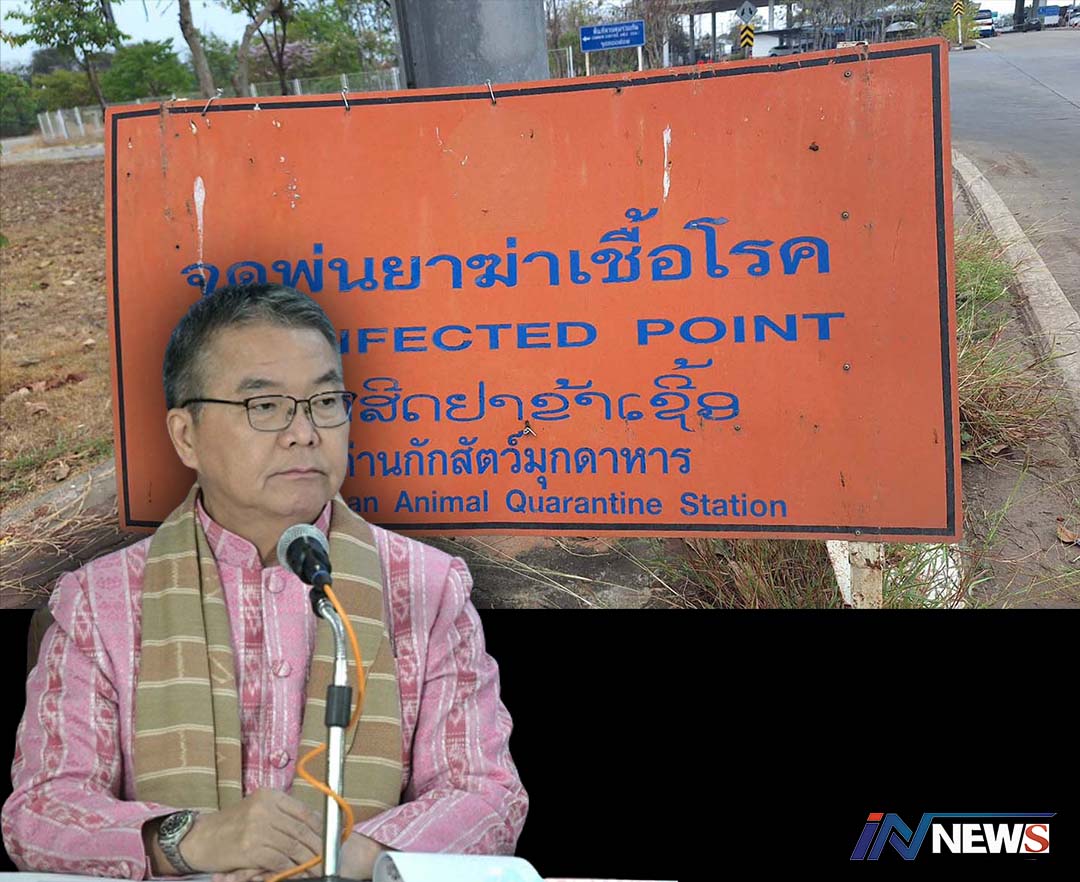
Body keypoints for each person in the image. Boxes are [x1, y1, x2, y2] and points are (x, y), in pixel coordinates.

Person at [2, 284, 528, 880]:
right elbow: (40, 809)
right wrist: (191, 839)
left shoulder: (426, 586)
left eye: (324, 402)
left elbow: (485, 794)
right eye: (266, 405)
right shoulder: (101, 601)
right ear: (186, 436)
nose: (304, 432)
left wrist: (353, 854)